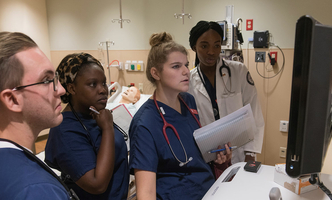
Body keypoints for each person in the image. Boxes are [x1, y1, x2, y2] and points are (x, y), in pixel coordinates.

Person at [129, 32, 232, 200]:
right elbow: (146, 194)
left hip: (210, 191)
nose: (186, 71)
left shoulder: (188, 102)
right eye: (176, 66)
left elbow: (194, 158)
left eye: (186, 64)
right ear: (156, 73)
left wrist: (217, 159)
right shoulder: (145, 124)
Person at [44, 53, 129, 199]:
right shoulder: (65, 130)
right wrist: (108, 128)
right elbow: (97, 184)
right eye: (92, 84)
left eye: (103, 83)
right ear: (72, 89)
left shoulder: (96, 116)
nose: (103, 90)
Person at [0, 32, 72, 199]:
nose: (61, 89)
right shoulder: (37, 190)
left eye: (56, 78)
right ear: (12, 99)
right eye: (46, 80)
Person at [188, 21, 265, 164]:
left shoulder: (239, 71)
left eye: (216, 45)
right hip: (206, 157)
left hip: (239, 153)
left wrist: (250, 154)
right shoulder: (188, 81)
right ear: (194, 47)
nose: (211, 51)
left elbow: (254, 112)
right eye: (204, 46)